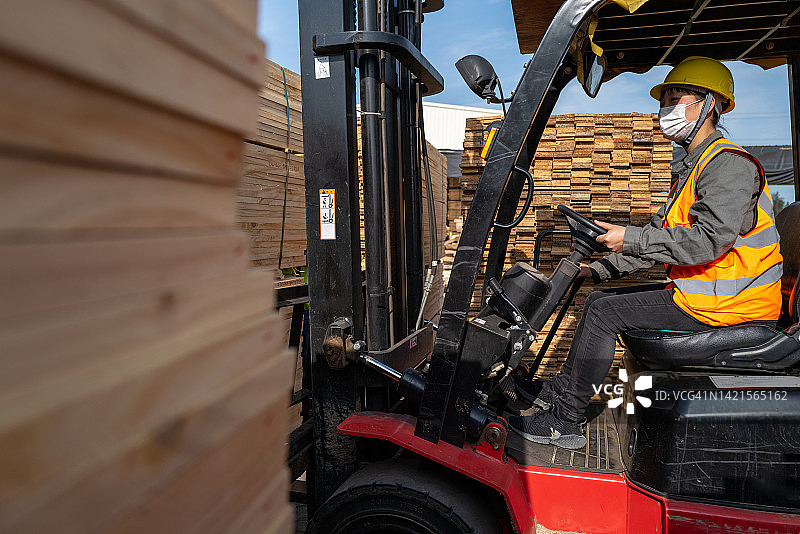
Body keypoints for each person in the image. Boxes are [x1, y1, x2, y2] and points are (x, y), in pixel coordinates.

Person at [507, 56, 784, 449]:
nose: (666, 109)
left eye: (677, 98)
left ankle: (564, 423)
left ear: (710, 104)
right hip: (709, 300)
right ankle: (555, 395)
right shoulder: (693, 167)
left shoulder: (729, 165)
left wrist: (631, 239)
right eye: (664, 100)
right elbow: (660, 236)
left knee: (604, 312)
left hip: (734, 307)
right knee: (600, 298)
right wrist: (597, 269)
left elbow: (709, 241)